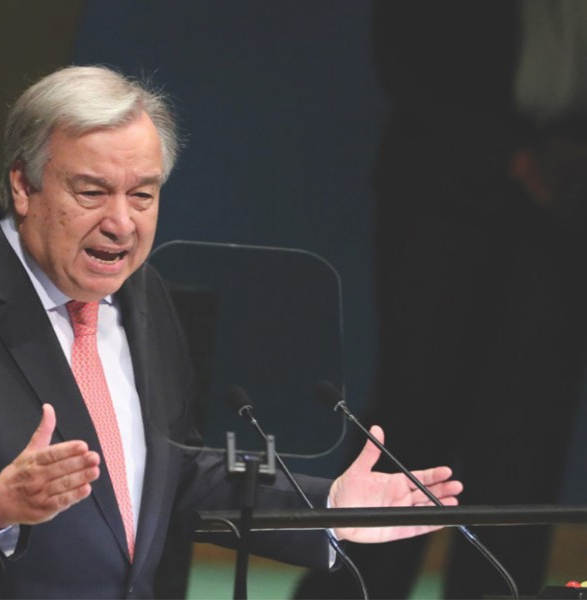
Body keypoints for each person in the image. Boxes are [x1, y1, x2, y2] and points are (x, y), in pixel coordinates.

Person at [0, 65, 462, 599]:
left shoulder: (140, 293)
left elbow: (167, 473)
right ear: (24, 185)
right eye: (93, 192)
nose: (122, 224)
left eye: (144, 196)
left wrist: (326, 508)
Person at [294, 2, 587, 599]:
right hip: (445, 199)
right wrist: (509, 155)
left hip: (562, 215)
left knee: (528, 440)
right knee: (414, 417)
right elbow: (408, 57)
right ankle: (354, 590)